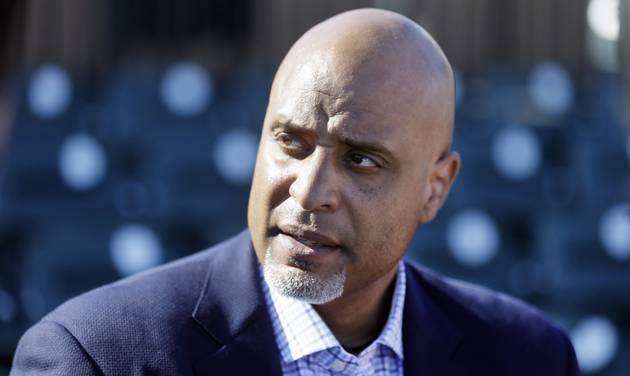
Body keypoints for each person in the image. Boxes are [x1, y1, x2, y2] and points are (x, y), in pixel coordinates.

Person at [11, 8, 579, 376]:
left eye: (361, 160)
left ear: (436, 188)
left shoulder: (528, 357)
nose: (309, 191)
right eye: (291, 141)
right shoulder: (93, 357)